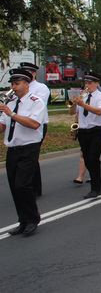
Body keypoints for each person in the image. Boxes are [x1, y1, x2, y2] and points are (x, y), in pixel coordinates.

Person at [0, 68, 46, 237]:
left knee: (23, 185)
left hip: (29, 148)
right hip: (13, 149)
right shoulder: (10, 103)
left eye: (17, 83)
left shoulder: (36, 102)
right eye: (12, 83)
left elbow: (34, 124)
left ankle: (33, 219)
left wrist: (11, 114)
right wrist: (5, 114)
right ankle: (23, 220)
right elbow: (3, 127)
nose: (13, 86)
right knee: (14, 186)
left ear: (26, 84)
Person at [70, 71, 101, 199]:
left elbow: (99, 111)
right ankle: (95, 184)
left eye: (90, 83)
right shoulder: (83, 96)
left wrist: (83, 104)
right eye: (86, 82)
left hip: (97, 130)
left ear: (97, 83)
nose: (87, 85)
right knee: (87, 159)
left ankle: (96, 188)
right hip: (83, 131)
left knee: (93, 159)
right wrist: (74, 103)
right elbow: (72, 112)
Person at [20, 62, 49, 197]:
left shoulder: (41, 88)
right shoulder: (18, 87)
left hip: (38, 124)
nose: (27, 74)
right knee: (28, 157)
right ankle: (28, 185)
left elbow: (36, 105)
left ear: (34, 73)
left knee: (32, 156)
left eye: (29, 72)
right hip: (21, 124)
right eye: (24, 71)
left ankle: (34, 188)